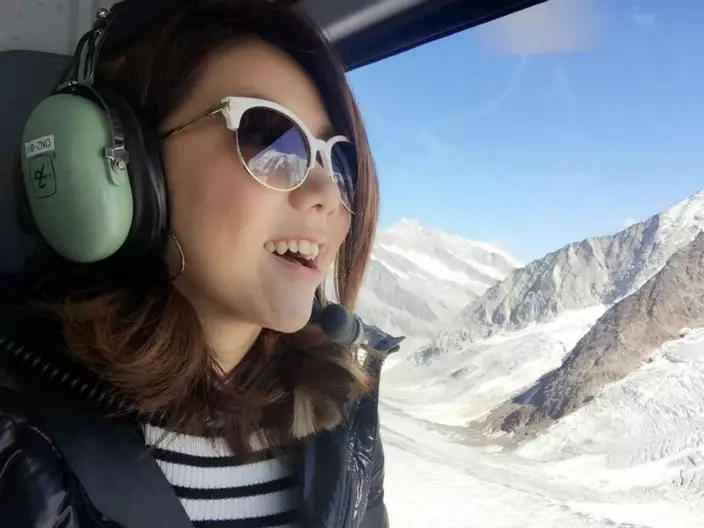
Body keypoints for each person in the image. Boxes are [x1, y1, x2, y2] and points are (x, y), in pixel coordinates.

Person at [0, 1, 389, 527]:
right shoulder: (16, 427)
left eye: (337, 162)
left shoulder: (347, 416)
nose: (328, 194)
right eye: (268, 138)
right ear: (130, 167)